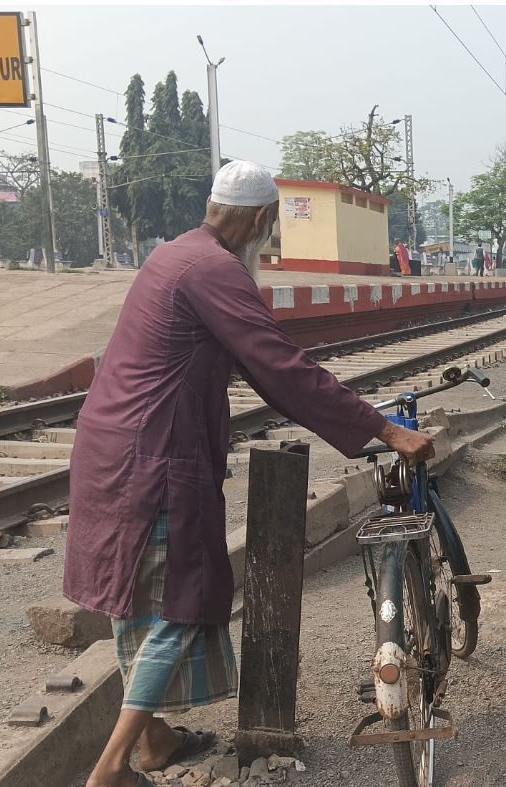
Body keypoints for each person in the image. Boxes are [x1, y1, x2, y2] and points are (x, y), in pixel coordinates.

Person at [64, 160, 435, 787]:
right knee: (177, 607)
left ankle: (153, 742)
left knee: (137, 603)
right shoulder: (217, 270)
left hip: (113, 450)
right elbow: (282, 368)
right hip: (153, 460)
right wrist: (387, 430)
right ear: (262, 220)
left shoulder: (175, 254)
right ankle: (110, 769)